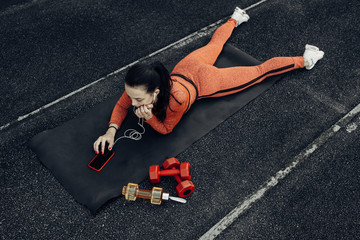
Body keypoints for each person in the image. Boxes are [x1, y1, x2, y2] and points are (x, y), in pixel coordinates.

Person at [93, 7, 324, 154]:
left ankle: (305, 60)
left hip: (204, 82)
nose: (132, 102)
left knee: (259, 72)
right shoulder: (139, 86)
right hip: (187, 67)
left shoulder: (177, 99)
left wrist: (151, 117)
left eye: (137, 99)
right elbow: (123, 104)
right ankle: (236, 18)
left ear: (155, 92)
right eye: (132, 96)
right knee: (214, 46)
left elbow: (166, 129)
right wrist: (111, 131)